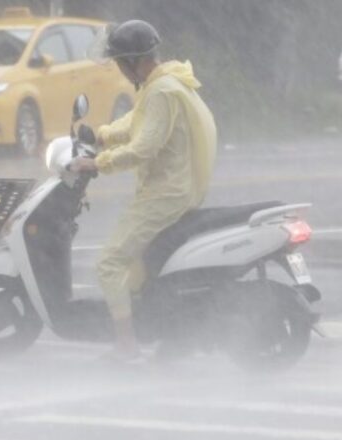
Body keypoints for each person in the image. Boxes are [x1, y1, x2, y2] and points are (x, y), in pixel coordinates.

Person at [70, 20, 217, 361]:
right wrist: (102, 134)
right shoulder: (165, 82)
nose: (120, 70)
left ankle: (126, 344)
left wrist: (99, 163)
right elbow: (139, 121)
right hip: (175, 189)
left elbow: (144, 147)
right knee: (140, 266)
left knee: (109, 263)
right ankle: (169, 330)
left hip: (166, 193)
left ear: (133, 62)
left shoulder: (162, 91)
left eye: (120, 63)